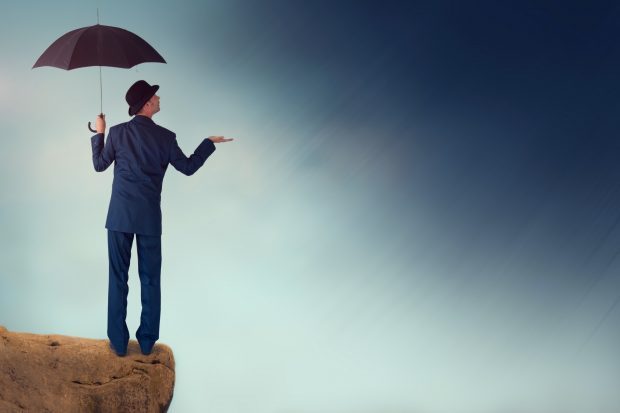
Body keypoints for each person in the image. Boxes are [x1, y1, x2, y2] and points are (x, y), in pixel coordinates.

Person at [90, 80, 233, 356]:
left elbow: (99, 165)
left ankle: (118, 343)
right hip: (149, 220)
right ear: (146, 104)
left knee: (118, 278)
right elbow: (189, 167)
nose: (158, 98)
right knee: (150, 279)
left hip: (119, 216)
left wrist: (100, 133)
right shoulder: (166, 137)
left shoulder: (118, 133)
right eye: (154, 96)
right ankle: (146, 343)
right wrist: (207, 144)